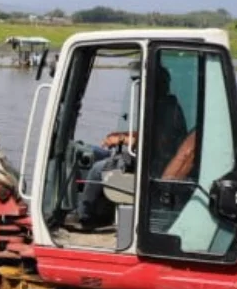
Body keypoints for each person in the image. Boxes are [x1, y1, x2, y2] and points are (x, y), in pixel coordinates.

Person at [69, 66, 191, 229]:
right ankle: (99, 212)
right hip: (146, 157)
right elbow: (148, 132)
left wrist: (123, 138)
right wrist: (122, 135)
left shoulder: (167, 109)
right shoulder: (164, 105)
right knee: (95, 152)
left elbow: (157, 140)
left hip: (152, 165)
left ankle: (84, 216)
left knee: (97, 169)